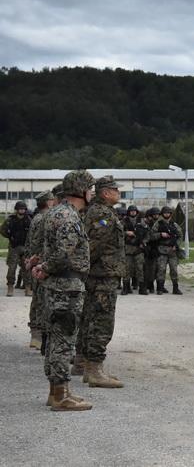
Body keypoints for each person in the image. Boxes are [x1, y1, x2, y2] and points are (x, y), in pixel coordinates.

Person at [28, 170, 95, 411]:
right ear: (82, 191)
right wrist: (45, 267)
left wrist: (42, 265)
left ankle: (58, 391)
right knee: (63, 340)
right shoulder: (68, 216)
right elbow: (63, 253)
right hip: (66, 286)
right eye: (91, 189)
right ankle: (60, 395)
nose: (93, 193)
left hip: (59, 285)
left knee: (58, 338)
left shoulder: (57, 212)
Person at [78, 175, 126, 389]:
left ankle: (89, 367)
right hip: (102, 276)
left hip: (100, 274)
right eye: (116, 189)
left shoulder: (100, 211)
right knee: (101, 322)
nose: (119, 193)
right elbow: (94, 246)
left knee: (92, 318)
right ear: (106, 192)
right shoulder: (102, 213)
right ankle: (95, 370)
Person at [26, 188, 58, 350]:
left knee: (38, 299)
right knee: (41, 300)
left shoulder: (37, 218)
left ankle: (36, 336)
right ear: (49, 201)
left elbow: (30, 243)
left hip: (36, 263)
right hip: (41, 264)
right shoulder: (45, 218)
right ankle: (39, 336)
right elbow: (39, 243)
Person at [149, 205, 183, 295]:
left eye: (168, 213)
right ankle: (160, 288)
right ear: (162, 214)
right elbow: (151, 235)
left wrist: (177, 245)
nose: (166, 214)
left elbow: (180, 236)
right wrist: (160, 234)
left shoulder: (174, 225)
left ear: (170, 214)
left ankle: (175, 288)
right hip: (161, 250)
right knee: (161, 269)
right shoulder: (157, 224)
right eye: (165, 213)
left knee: (174, 270)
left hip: (172, 250)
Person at [3, 199, 32, 296]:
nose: (22, 211)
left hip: (25, 247)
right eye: (20, 209)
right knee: (12, 268)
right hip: (14, 247)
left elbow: (33, 232)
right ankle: (10, 287)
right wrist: (9, 236)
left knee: (26, 268)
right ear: (16, 209)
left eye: (23, 209)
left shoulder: (29, 220)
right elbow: (2, 230)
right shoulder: (10, 220)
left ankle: (28, 288)